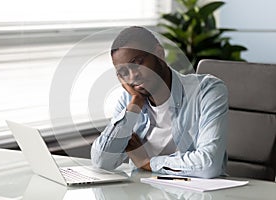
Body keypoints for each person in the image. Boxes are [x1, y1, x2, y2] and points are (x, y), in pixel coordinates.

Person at [91, 26, 228, 178]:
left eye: (137, 63)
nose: (132, 77)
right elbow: (101, 161)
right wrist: (135, 104)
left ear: (159, 53)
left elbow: (208, 165)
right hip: (143, 191)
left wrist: (147, 162)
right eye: (124, 73)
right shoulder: (129, 100)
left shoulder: (206, 90)